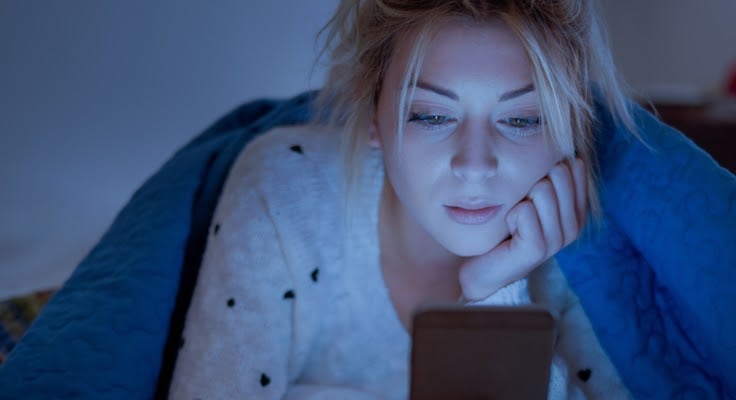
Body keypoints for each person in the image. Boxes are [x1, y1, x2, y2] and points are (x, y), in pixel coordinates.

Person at [169, 0, 637, 398]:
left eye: (521, 120)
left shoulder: (583, 247)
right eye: (431, 116)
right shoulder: (286, 195)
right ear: (373, 115)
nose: (474, 165)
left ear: (569, 129)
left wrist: (498, 295)